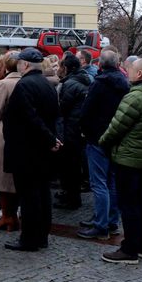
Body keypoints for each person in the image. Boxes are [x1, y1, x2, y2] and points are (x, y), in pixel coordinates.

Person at [99, 58, 142, 264]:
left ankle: (130, 250)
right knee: (141, 202)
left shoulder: (135, 97)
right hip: (141, 155)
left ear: (140, 74)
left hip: (128, 156)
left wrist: (103, 142)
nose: (127, 72)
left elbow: (116, 127)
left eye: (130, 70)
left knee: (129, 204)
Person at [3, 48, 61, 252]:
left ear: (25, 65)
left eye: (20, 62)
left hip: (27, 149)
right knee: (42, 193)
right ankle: (42, 235)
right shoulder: (47, 84)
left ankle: (29, 238)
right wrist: (52, 138)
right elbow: (53, 115)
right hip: (42, 148)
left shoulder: (25, 85)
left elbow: (29, 117)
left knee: (29, 196)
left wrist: (49, 138)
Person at [78, 50, 128, 241]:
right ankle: (111, 220)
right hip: (115, 136)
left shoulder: (99, 84)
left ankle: (101, 225)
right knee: (111, 182)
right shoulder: (124, 83)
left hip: (97, 137)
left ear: (100, 65)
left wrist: (85, 130)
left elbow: (86, 110)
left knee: (99, 183)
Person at [0, 51, 21, 232]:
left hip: (2, 132)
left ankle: (8, 216)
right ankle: (12, 215)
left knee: (1, 178)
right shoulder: (24, 81)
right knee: (13, 179)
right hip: (20, 133)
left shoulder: (4, 84)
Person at [54, 53, 91, 210]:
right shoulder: (83, 80)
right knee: (73, 165)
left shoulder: (70, 84)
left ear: (67, 68)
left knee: (70, 166)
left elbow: (62, 108)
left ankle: (72, 199)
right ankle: (71, 195)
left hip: (71, 129)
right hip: (78, 128)